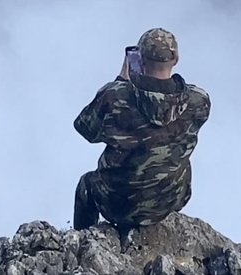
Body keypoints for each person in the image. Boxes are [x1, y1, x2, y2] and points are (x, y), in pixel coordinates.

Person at [72, 28, 211, 244]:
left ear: (139, 60)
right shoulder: (198, 100)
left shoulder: (114, 97)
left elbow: (85, 129)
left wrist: (121, 80)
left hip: (118, 204)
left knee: (86, 185)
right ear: (176, 59)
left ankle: (83, 243)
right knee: (178, 154)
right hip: (170, 199)